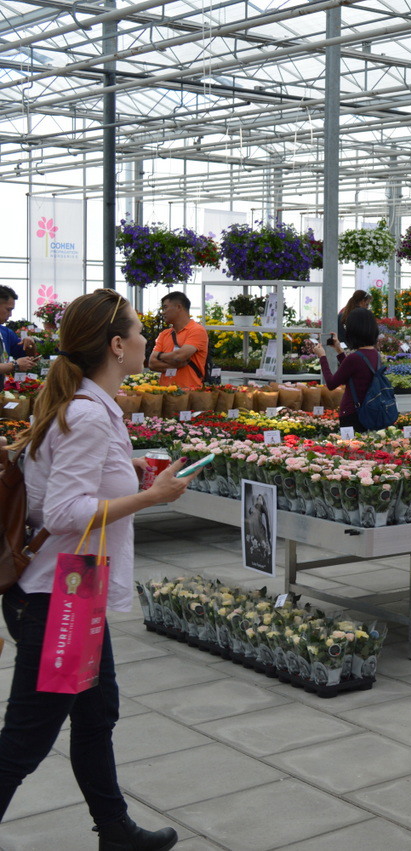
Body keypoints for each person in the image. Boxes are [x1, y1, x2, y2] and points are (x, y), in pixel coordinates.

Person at [0, 289, 193, 850]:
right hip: (55, 601)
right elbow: (64, 512)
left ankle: (115, 830)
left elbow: (67, 485)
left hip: (73, 591)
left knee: (96, 714)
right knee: (25, 742)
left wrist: (128, 467)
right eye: (138, 330)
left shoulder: (90, 407)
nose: (146, 339)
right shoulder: (87, 415)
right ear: (116, 345)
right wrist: (150, 497)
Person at [312, 307, 381, 432]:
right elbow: (352, 373)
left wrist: (322, 357)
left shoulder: (355, 357)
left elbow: (331, 384)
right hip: (371, 411)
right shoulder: (375, 354)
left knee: (351, 444)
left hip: (352, 414)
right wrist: (339, 350)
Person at [147, 291, 208, 390]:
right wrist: (176, 365)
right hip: (164, 392)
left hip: (190, 392)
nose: (163, 312)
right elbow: (152, 363)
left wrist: (160, 356)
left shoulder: (197, 330)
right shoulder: (164, 334)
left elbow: (179, 356)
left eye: (165, 307)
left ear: (179, 307)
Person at [0, 286, 38, 378]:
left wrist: (30, 345)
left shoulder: (5, 333)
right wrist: (14, 365)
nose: (10, 315)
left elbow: (26, 356)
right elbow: (17, 364)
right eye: (8, 309)